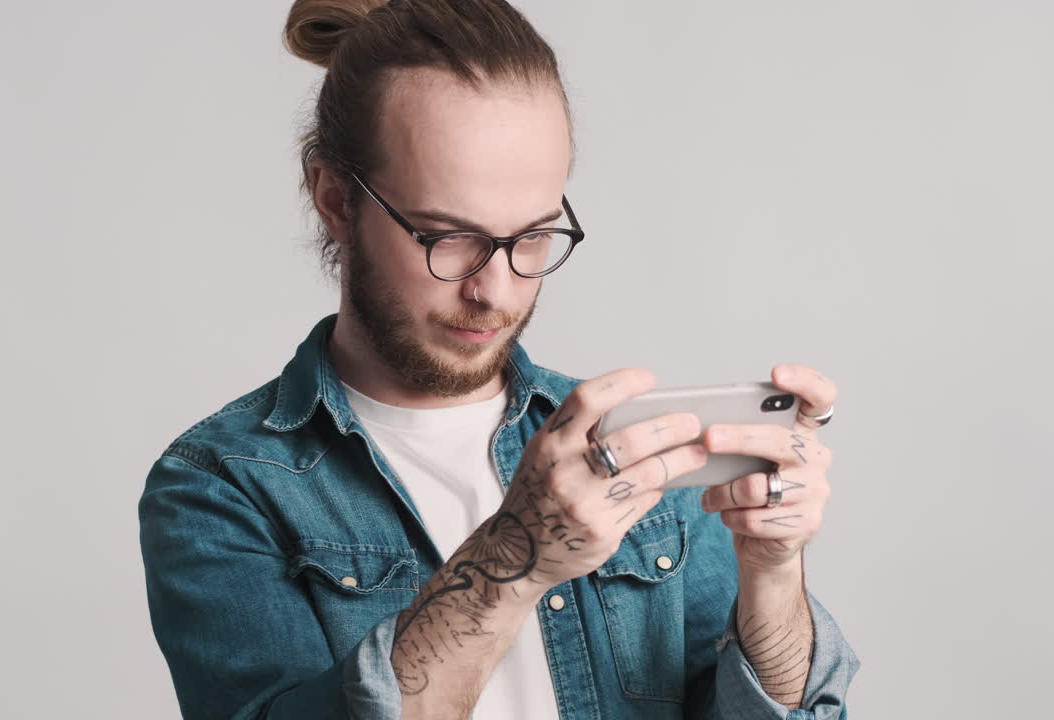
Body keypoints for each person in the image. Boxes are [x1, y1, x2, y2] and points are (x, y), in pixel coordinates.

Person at [138, 1, 861, 718]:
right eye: (446, 237)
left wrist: (772, 571)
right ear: (334, 200)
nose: (497, 289)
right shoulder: (220, 485)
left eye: (533, 236)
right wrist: (516, 560)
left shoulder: (628, 445)